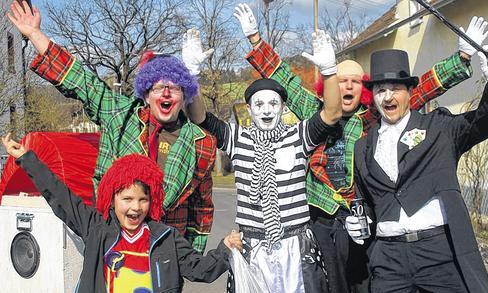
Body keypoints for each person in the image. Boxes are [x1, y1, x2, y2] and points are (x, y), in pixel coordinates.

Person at [233, 3, 488, 292]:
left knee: (364, 282)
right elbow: (286, 81)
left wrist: (463, 57)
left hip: (358, 216)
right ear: (330, 85)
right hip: (319, 214)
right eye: (341, 81)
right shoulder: (313, 111)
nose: (348, 87)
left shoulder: (372, 118)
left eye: (355, 82)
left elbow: (422, 88)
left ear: (364, 88)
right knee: (326, 283)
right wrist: (256, 40)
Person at [7, 0, 216, 252]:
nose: (167, 94)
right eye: (159, 87)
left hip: (164, 250)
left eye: (174, 87)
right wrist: (35, 34)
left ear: (184, 95)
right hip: (113, 243)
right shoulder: (120, 115)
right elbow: (81, 81)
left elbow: (201, 209)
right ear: (147, 94)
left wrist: (190, 259)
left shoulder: (201, 143)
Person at [348, 47, 488, 293]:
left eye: (395, 88)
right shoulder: (362, 147)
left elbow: (482, 123)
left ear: (409, 92)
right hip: (388, 259)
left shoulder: (438, 128)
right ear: (372, 96)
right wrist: (358, 223)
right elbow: (367, 203)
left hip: (438, 253)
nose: (387, 97)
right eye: (380, 90)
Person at [187, 28, 342, 293]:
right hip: (253, 247)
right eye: (259, 105)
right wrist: (191, 74)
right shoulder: (238, 138)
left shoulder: (299, 135)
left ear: (283, 107)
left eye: (273, 103)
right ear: (249, 110)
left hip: (296, 246)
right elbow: (199, 117)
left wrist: (329, 71)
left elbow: (332, 112)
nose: (267, 110)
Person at [2, 133, 242, 293]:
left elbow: (201, 269)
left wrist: (224, 249)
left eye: (143, 200)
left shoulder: (166, 238)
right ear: (112, 199)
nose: (135, 207)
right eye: (127, 199)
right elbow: (60, 197)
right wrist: (26, 158)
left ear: (152, 200)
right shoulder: (97, 230)